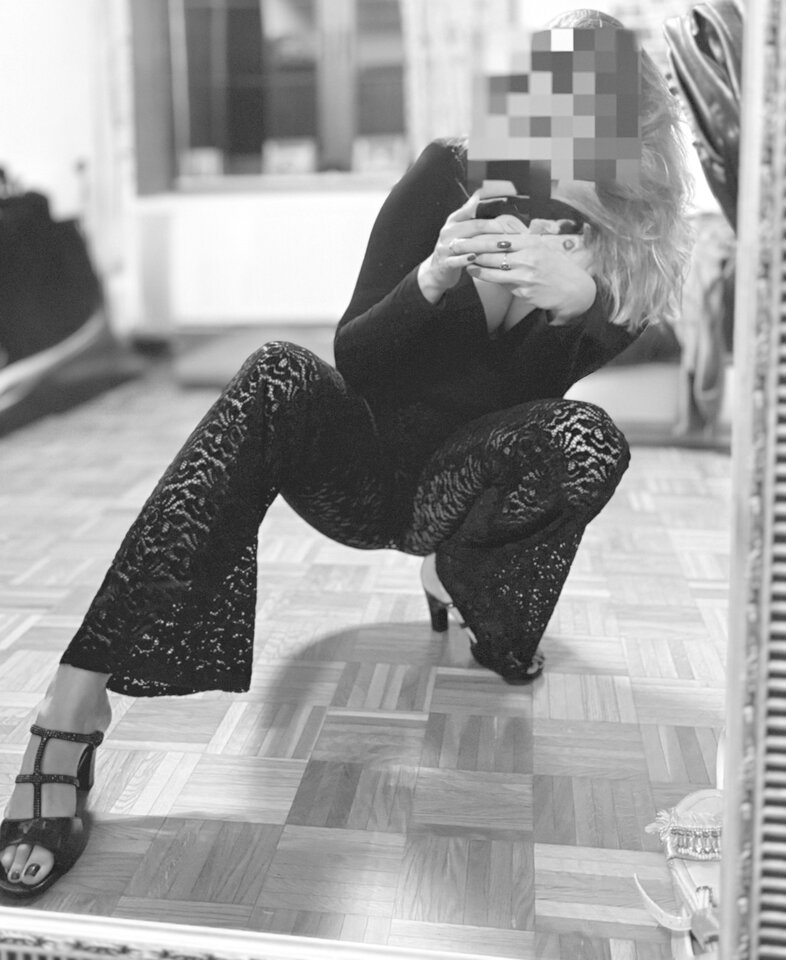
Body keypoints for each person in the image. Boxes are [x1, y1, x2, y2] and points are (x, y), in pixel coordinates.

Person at [0, 8, 694, 897]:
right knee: (275, 372)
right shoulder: (450, 175)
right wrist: (431, 278)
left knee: (589, 439)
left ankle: (457, 572)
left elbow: (550, 403)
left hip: (463, 483)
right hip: (362, 467)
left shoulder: (627, 248)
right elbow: (356, 358)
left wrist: (580, 306)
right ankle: (72, 705)